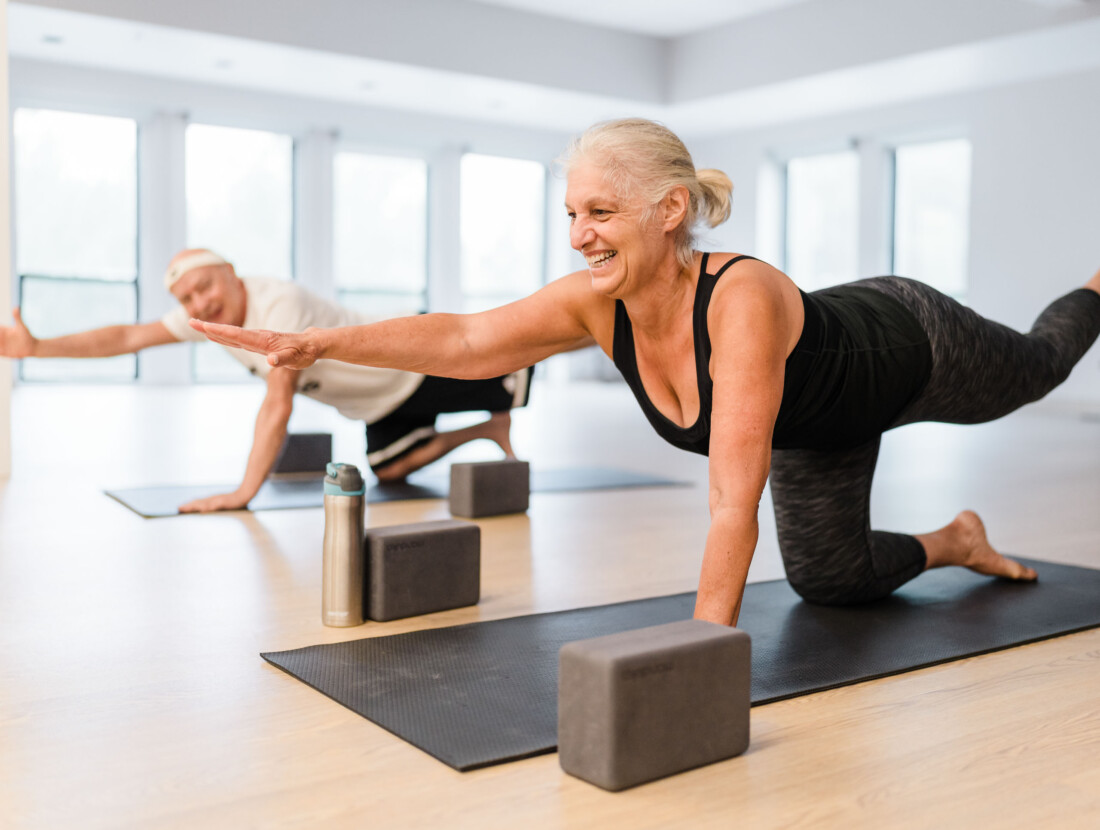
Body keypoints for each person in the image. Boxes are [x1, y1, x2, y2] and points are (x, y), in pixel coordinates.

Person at [192, 118, 1100, 626]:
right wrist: (323, 345)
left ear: (669, 210)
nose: (580, 233)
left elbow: (730, 503)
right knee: (831, 582)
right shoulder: (597, 302)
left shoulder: (740, 303)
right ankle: (956, 540)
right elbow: (468, 340)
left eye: (601, 210)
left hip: (908, 341)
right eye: (571, 212)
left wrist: (703, 653)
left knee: (1043, 366)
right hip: (822, 418)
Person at [0, 249, 532, 513]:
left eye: (205, 287)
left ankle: (578, 336)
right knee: (390, 469)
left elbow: (279, 406)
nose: (199, 304)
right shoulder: (210, 321)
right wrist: (39, 347)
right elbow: (125, 338)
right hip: (373, 406)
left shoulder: (278, 303)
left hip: (413, 369)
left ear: (230, 272)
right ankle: (489, 429)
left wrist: (242, 493)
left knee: (524, 360)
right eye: (187, 299)